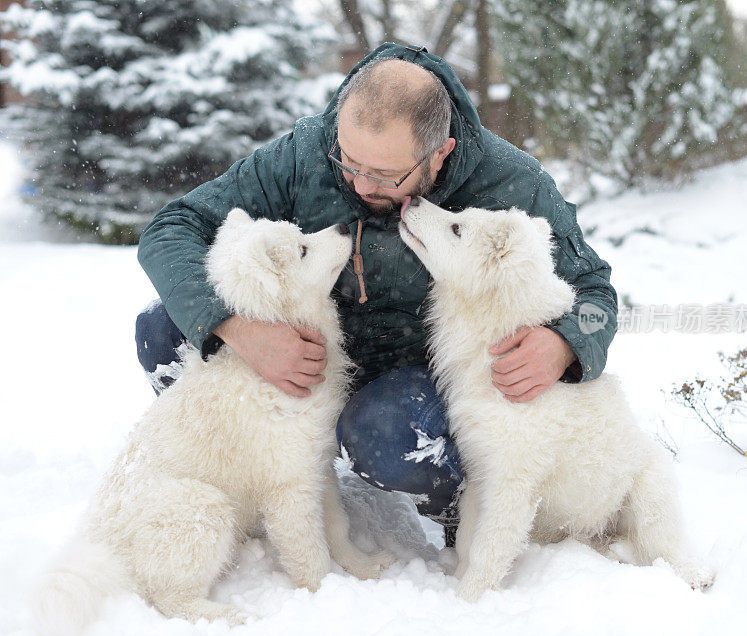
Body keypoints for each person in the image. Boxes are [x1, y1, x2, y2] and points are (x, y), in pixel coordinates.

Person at [135, 43, 618, 544]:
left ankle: (468, 507)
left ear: (441, 152)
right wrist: (239, 330)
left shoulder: (513, 184)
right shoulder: (305, 153)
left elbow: (596, 298)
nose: (361, 183)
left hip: (415, 382)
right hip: (310, 355)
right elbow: (173, 227)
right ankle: (239, 474)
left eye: (386, 175)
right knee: (164, 329)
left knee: (385, 431)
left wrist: (564, 344)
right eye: (349, 162)